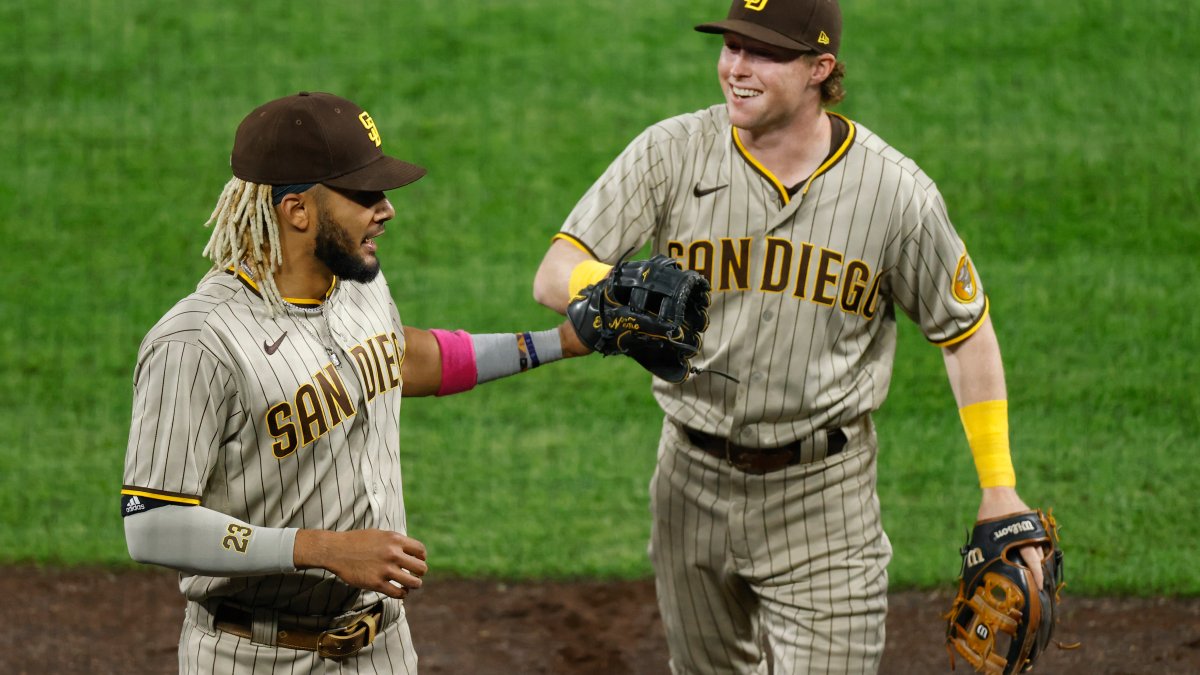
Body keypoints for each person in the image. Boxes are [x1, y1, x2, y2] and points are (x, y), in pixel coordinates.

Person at [532, 1, 1048, 673]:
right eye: (731, 47)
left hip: (824, 499)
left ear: (820, 69)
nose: (736, 68)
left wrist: (999, 485)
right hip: (689, 484)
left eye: (763, 53)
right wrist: (610, 283)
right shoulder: (671, 152)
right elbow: (554, 273)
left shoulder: (895, 195)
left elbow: (964, 334)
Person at [121, 91, 587, 672]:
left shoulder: (357, 282)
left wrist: (558, 343)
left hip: (381, 646)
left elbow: (398, 359)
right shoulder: (197, 342)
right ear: (298, 211)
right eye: (364, 195)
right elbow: (153, 525)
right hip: (254, 655)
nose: (386, 209)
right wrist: (320, 549)